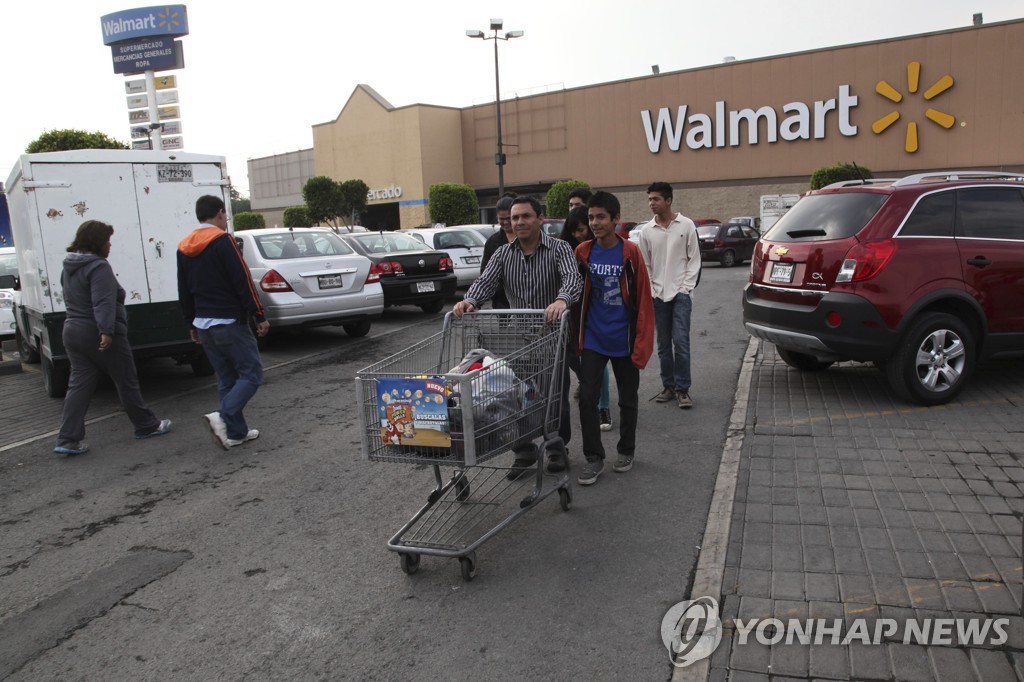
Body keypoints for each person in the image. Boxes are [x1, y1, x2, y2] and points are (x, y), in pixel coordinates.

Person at [452, 196, 583, 478]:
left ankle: (556, 447)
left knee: (552, 396)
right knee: (514, 394)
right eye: (515, 218)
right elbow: (486, 281)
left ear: (540, 219)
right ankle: (522, 450)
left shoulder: (559, 249)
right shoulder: (503, 253)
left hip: (551, 336)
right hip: (516, 338)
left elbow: (573, 278)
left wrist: (562, 300)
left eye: (525, 216)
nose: (519, 222)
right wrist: (470, 301)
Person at [54, 220, 171, 455]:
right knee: (126, 379)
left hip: (72, 330)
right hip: (97, 331)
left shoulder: (69, 266)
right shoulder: (98, 267)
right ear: (97, 242)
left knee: (79, 386)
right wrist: (106, 330)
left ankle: (67, 439)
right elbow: (103, 300)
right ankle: (146, 425)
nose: (110, 245)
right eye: (107, 240)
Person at [573, 191, 655, 485]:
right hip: (594, 339)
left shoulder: (630, 253)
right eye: (591, 217)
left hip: (624, 340)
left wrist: (642, 343)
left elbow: (644, 300)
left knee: (628, 400)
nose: (594, 222)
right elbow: (574, 295)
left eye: (601, 217)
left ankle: (626, 450)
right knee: (587, 400)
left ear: (615, 219)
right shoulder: (582, 251)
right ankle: (593, 458)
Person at [177, 195, 270, 449]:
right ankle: (223, 416)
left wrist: (191, 323)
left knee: (226, 379)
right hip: (230, 321)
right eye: (224, 215)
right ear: (218, 213)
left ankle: (236, 433)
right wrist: (259, 314)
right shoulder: (224, 241)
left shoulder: (184, 246)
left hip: (204, 323)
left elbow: (183, 290)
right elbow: (242, 279)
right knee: (251, 374)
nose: (226, 219)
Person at [637, 182, 701, 409]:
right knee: (663, 344)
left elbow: (694, 259)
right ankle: (669, 386)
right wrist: (653, 290)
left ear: (668, 200)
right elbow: (644, 263)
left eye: (655, 199)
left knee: (681, 342)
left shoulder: (686, 225)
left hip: (681, 294)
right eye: (649, 199)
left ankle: (683, 390)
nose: (651, 204)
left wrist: (686, 288)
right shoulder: (646, 231)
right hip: (658, 296)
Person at [559, 206, 614, 432]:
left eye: (581, 230)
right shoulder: (564, 250)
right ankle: (588, 392)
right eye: (574, 232)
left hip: (594, 313)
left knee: (597, 363)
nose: (578, 235)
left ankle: (602, 406)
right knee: (575, 360)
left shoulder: (598, 250)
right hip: (572, 312)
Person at [479, 193, 517, 309]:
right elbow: (485, 275)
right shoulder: (493, 242)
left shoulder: (527, 237)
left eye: (508, 218)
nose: (505, 222)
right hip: (502, 302)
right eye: (501, 219)